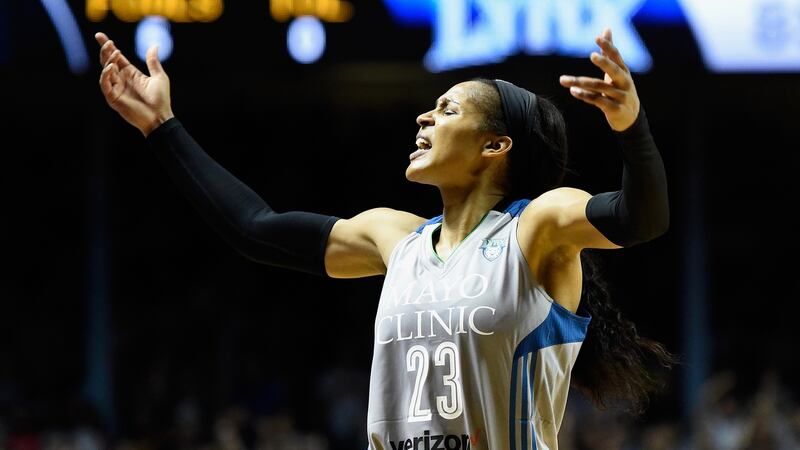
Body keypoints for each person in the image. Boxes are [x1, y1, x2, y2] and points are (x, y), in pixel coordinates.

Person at [95, 28, 675, 450]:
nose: (424, 116)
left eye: (446, 110)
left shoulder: (538, 227)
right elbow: (256, 230)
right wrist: (161, 127)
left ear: (495, 146)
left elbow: (639, 220)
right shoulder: (392, 236)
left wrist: (632, 128)